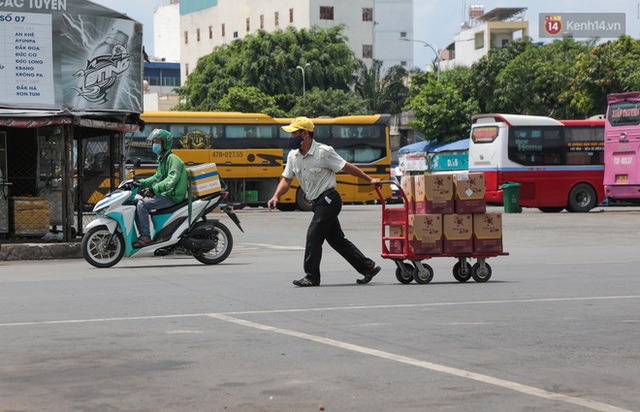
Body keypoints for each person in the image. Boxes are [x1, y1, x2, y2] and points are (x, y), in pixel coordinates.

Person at [268, 116, 382, 287]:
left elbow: (347, 167)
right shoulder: (293, 156)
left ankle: (312, 276)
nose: (291, 137)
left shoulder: (324, 152)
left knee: (314, 235)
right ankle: (367, 267)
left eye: (294, 134)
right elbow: (286, 180)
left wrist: (369, 179)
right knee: (337, 240)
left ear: (305, 134)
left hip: (329, 199)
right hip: (317, 202)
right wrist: (276, 196)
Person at [133, 129, 188, 248]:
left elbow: (171, 180)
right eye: (154, 142)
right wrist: (139, 183)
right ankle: (144, 234)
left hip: (172, 196)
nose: (154, 145)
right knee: (135, 202)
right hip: (166, 194)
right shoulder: (163, 159)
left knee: (142, 205)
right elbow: (156, 177)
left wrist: (154, 189)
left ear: (165, 143)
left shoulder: (173, 159)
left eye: (157, 142)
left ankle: (145, 236)